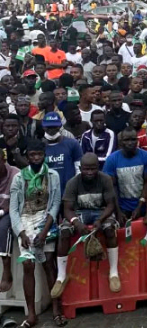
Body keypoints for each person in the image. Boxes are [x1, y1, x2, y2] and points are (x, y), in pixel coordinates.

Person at [9, 139, 64, 327]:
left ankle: (57, 310)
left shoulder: (53, 175)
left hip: (45, 221)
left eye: (39, 154)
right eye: (32, 155)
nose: (36, 158)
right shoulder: (19, 177)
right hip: (25, 221)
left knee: (49, 264)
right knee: (28, 266)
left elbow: (55, 204)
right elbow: (14, 209)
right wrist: (21, 233)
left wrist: (46, 229)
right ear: (27, 156)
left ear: (44, 155)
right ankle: (31, 314)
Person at [52, 153, 121, 301]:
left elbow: (110, 204)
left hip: (100, 211)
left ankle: (113, 273)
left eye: (93, 169)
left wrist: (101, 220)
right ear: (80, 168)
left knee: (110, 229)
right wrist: (76, 223)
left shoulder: (105, 179)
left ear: (98, 167)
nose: (89, 172)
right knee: (63, 231)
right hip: (79, 212)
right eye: (86, 169)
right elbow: (67, 209)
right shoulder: (73, 182)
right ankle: (61, 276)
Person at [103, 129, 147, 225]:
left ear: (137, 140)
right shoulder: (112, 159)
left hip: (143, 206)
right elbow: (112, 187)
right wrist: (118, 211)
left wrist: (140, 206)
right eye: (126, 140)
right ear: (121, 142)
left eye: (133, 139)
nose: (130, 143)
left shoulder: (146, 156)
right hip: (122, 208)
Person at [42, 112, 83, 197]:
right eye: (48, 127)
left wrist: (76, 189)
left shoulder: (72, 144)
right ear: (43, 127)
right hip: (47, 194)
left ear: (60, 126)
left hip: (69, 192)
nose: (51, 130)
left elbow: (79, 169)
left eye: (54, 126)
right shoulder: (39, 147)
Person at [0, 150, 20, 293]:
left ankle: (6, 271)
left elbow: (16, 202)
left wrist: (2, 211)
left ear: (3, 160)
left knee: (3, 227)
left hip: (11, 211)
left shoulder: (15, 174)